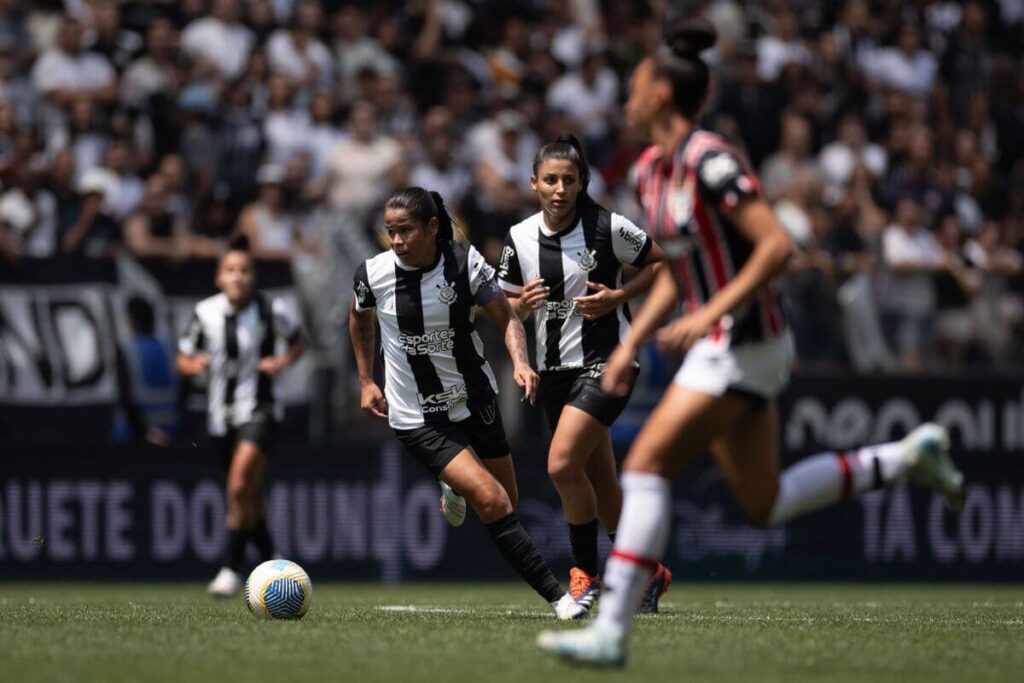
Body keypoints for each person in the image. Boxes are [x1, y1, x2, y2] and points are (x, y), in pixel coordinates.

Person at [538, 18, 965, 665]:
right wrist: (633, 341)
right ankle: (908, 455)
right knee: (764, 501)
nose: (624, 100)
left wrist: (706, 308)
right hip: (722, 339)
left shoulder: (710, 159)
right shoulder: (652, 171)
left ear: (659, 95)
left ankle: (613, 628)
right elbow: (676, 274)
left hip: (747, 338)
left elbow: (776, 247)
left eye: (633, 87)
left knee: (647, 464)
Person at [349, 186, 585, 620]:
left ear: (431, 227)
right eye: (390, 232)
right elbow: (359, 316)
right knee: (492, 501)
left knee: (507, 502)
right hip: (417, 416)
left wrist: (520, 362)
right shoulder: (374, 273)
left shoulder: (464, 261)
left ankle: (451, 481)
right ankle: (560, 599)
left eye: (405, 231)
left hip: (477, 399)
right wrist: (366, 379)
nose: (396, 240)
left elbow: (506, 317)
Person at [498, 133, 669, 615]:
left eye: (568, 180)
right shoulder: (518, 237)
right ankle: (647, 573)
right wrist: (520, 331)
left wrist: (618, 297)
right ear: (533, 183)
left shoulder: (608, 227)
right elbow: (502, 308)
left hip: (608, 362)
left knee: (560, 465)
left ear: (581, 184)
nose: (559, 189)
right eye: (550, 180)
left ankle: (584, 575)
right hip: (554, 373)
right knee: (601, 481)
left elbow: (661, 263)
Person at [176, 235, 306, 596]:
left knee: (238, 484)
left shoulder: (270, 310)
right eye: (230, 270)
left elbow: (299, 341)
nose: (238, 277)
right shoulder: (205, 313)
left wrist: (281, 361)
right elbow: (182, 357)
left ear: (254, 276)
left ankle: (230, 569)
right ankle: (271, 559)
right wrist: (193, 365)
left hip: (260, 409)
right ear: (219, 277)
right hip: (220, 416)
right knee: (247, 495)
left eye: (244, 270)